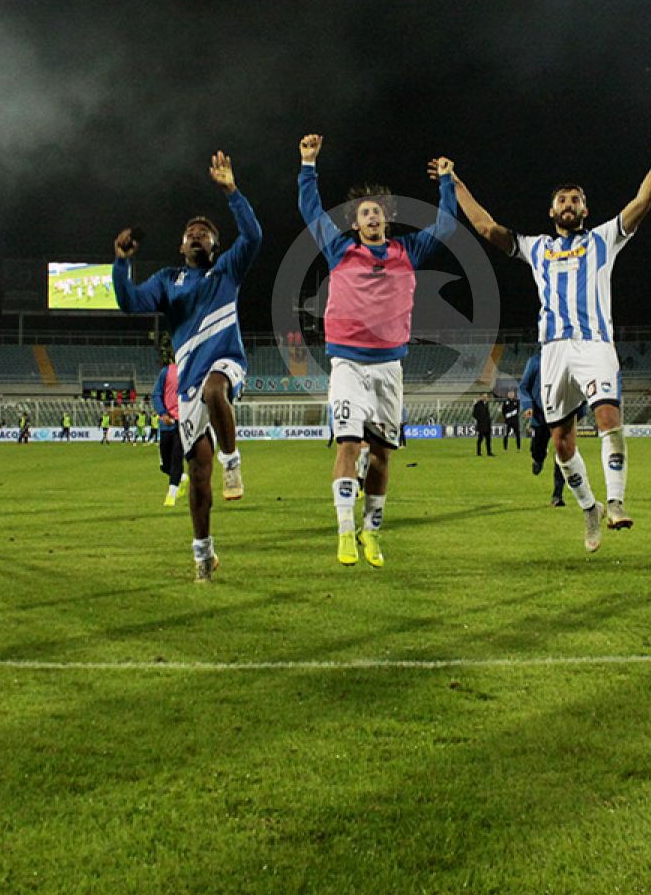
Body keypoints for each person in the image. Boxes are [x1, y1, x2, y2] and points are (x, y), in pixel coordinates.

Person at [449, 113, 651, 551]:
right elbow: (486, 227)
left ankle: (616, 502)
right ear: (552, 211)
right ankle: (590, 508)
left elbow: (643, 201)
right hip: (553, 350)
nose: (568, 204)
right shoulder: (536, 247)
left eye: (576, 200)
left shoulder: (604, 238)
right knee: (562, 443)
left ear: (585, 210)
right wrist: (457, 183)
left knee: (609, 418)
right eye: (562, 200)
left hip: (594, 344)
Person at [298, 135, 458, 567]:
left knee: (383, 455)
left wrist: (447, 182)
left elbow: (446, 226)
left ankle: (371, 532)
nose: (371, 216)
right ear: (355, 223)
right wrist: (308, 166)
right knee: (349, 444)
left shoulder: (408, 251)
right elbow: (311, 213)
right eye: (364, 212)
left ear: (386, 218)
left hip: (390, 366)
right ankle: (344, 531)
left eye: (377, 211)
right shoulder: (340, 250)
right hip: (348, 363)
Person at [113, 151, 262, 581]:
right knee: (197, 477)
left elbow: (253, 236)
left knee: (217, 389)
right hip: (188, 384)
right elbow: (129, 303)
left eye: (205, 234)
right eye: (191, 233)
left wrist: (232, 192)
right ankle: (203, 555)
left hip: (227, 364)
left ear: (216, 246)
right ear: (182, 246)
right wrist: (122, 263)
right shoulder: (167, 280)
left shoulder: (227, 270)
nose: (197, 236)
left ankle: (232, 462)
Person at [518, 351, 569, 507]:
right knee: (537, 450)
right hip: (540, 416)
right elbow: (523, 387)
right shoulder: (535, 361)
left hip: (561, 414)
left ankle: (557, 495)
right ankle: (538, 458)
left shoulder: (568, 360)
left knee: (562, 452)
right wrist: (527, 405)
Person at [152, 361, 184, 505]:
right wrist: (163, 413)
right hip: (167, 423)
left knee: (177, 456)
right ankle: (181, 478)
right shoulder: (166, 372)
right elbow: (156, 394)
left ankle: (171, 494)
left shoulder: (192, 369)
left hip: (183, 422)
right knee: (165, 465)